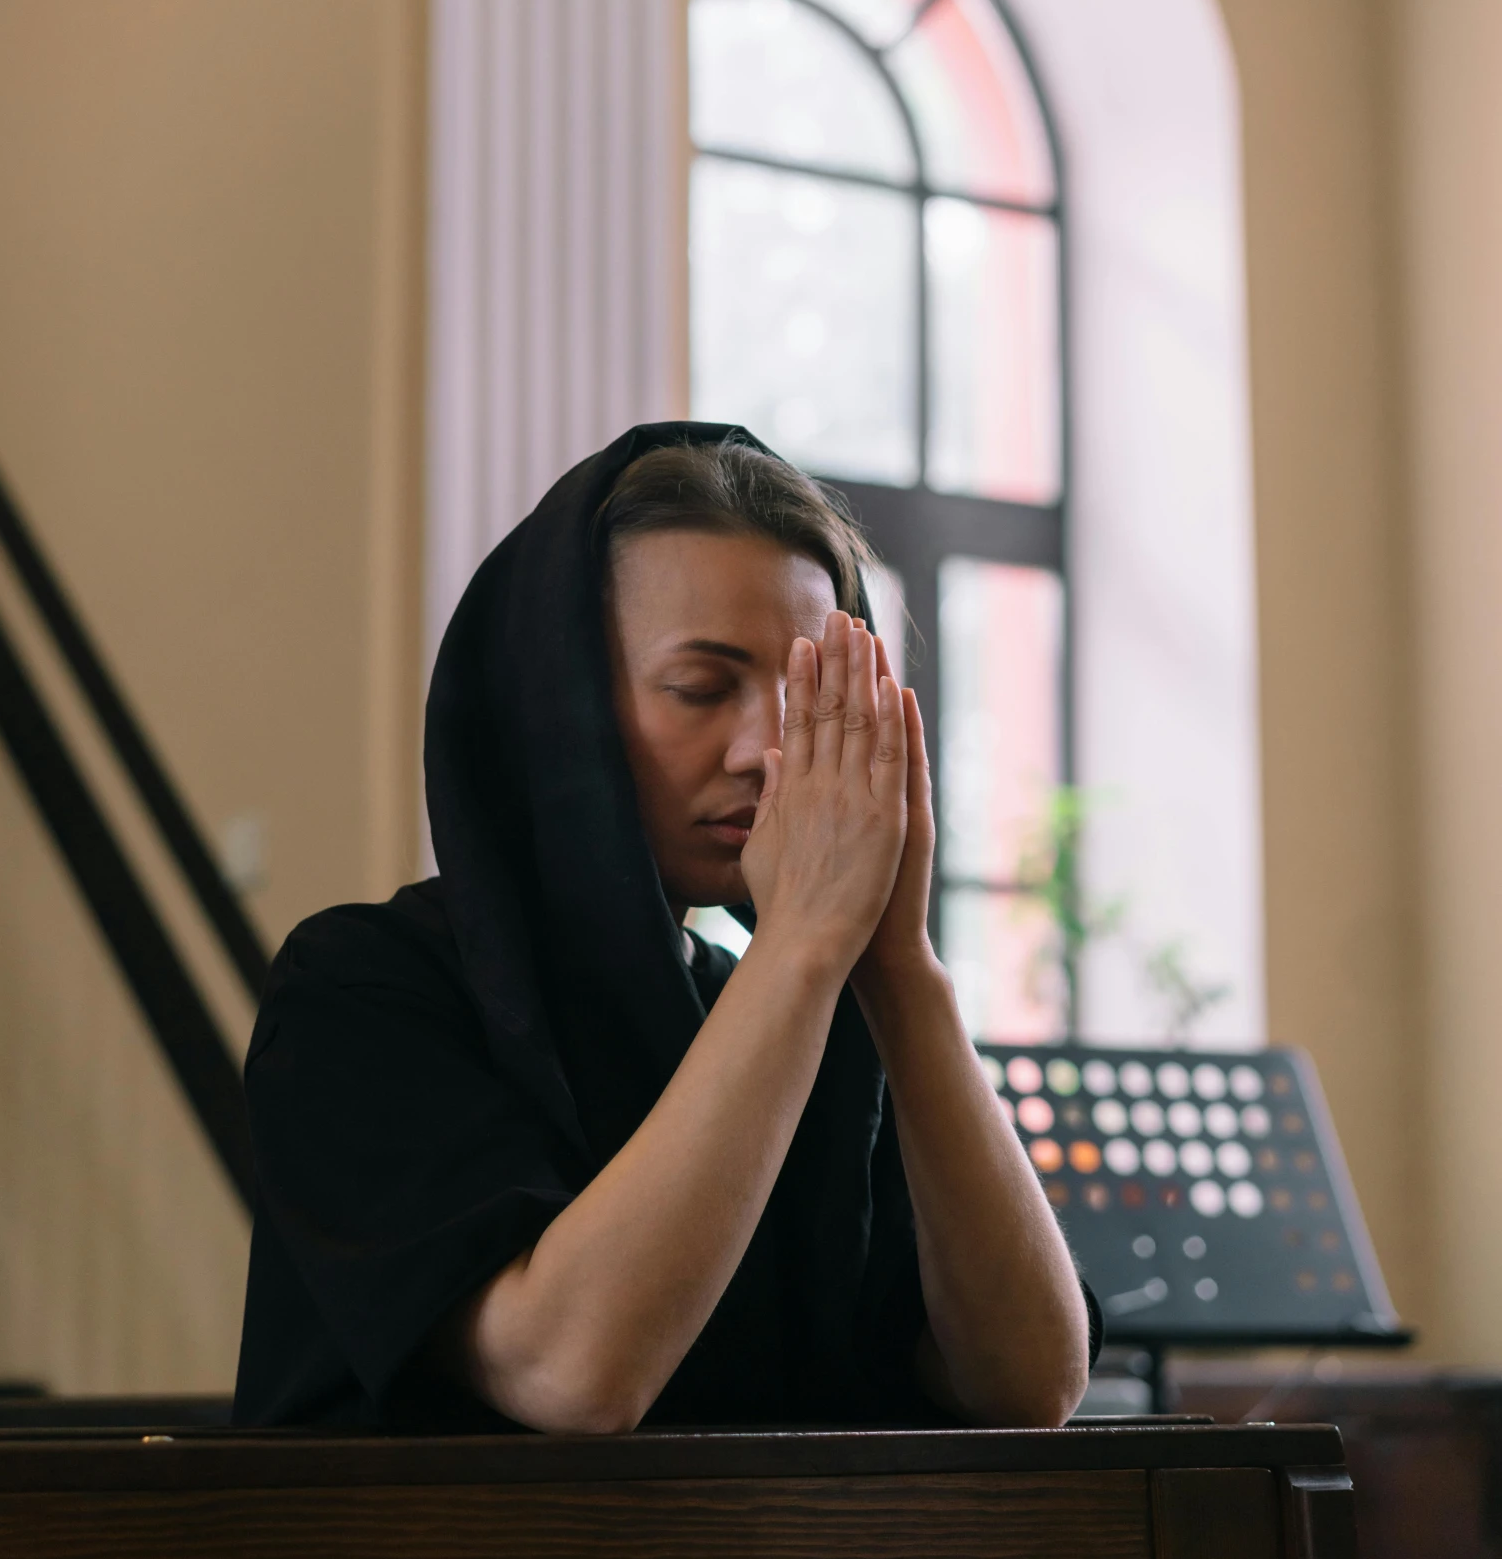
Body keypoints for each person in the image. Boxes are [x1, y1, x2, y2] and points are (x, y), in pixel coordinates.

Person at [233, 423, 1096, 1431]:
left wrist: (899, 967)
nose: (768, 752)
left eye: (807, 699)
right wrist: (801, 948)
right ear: (557, 708)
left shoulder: (800, 1008)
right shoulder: (358, 991)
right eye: (700, 687)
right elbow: (571, 1371)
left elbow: (1028, 1384)